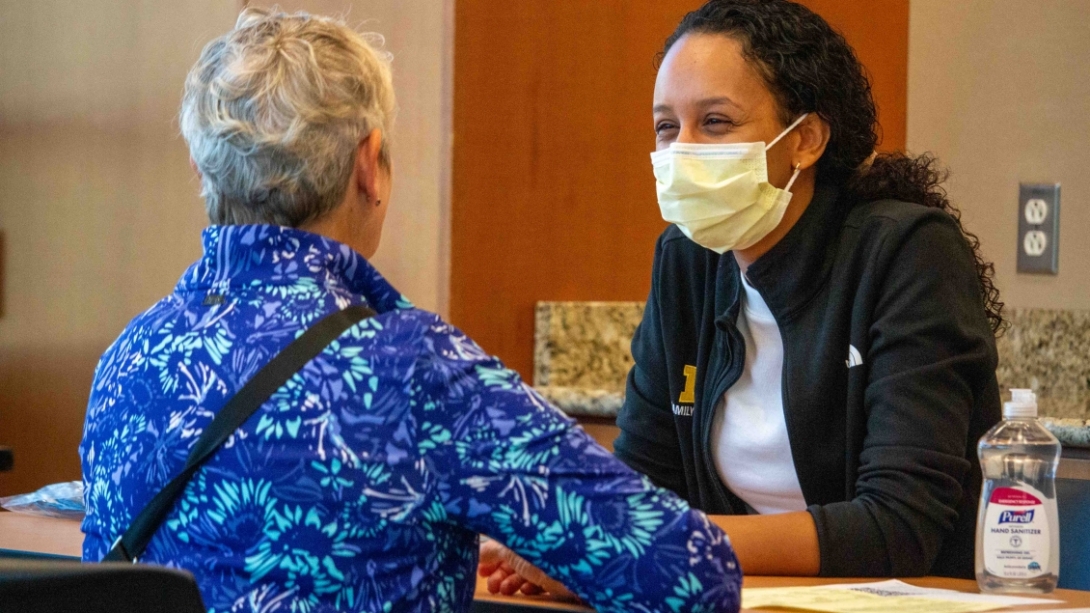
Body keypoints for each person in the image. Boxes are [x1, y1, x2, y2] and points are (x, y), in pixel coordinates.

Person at [78, 8, 742, 613]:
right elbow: (693, 574)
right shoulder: (411, 369)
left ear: (202, 173)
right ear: (370, 165)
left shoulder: (129, 358)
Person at [615, 0, 1003, 579]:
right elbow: (642, 486)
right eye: (667, 127)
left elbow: (897, 527)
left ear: (807, 140)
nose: (682, 150)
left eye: (715, 121)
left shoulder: (908, 253)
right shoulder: (686, 263)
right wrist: (580, 545)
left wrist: (663, 539)